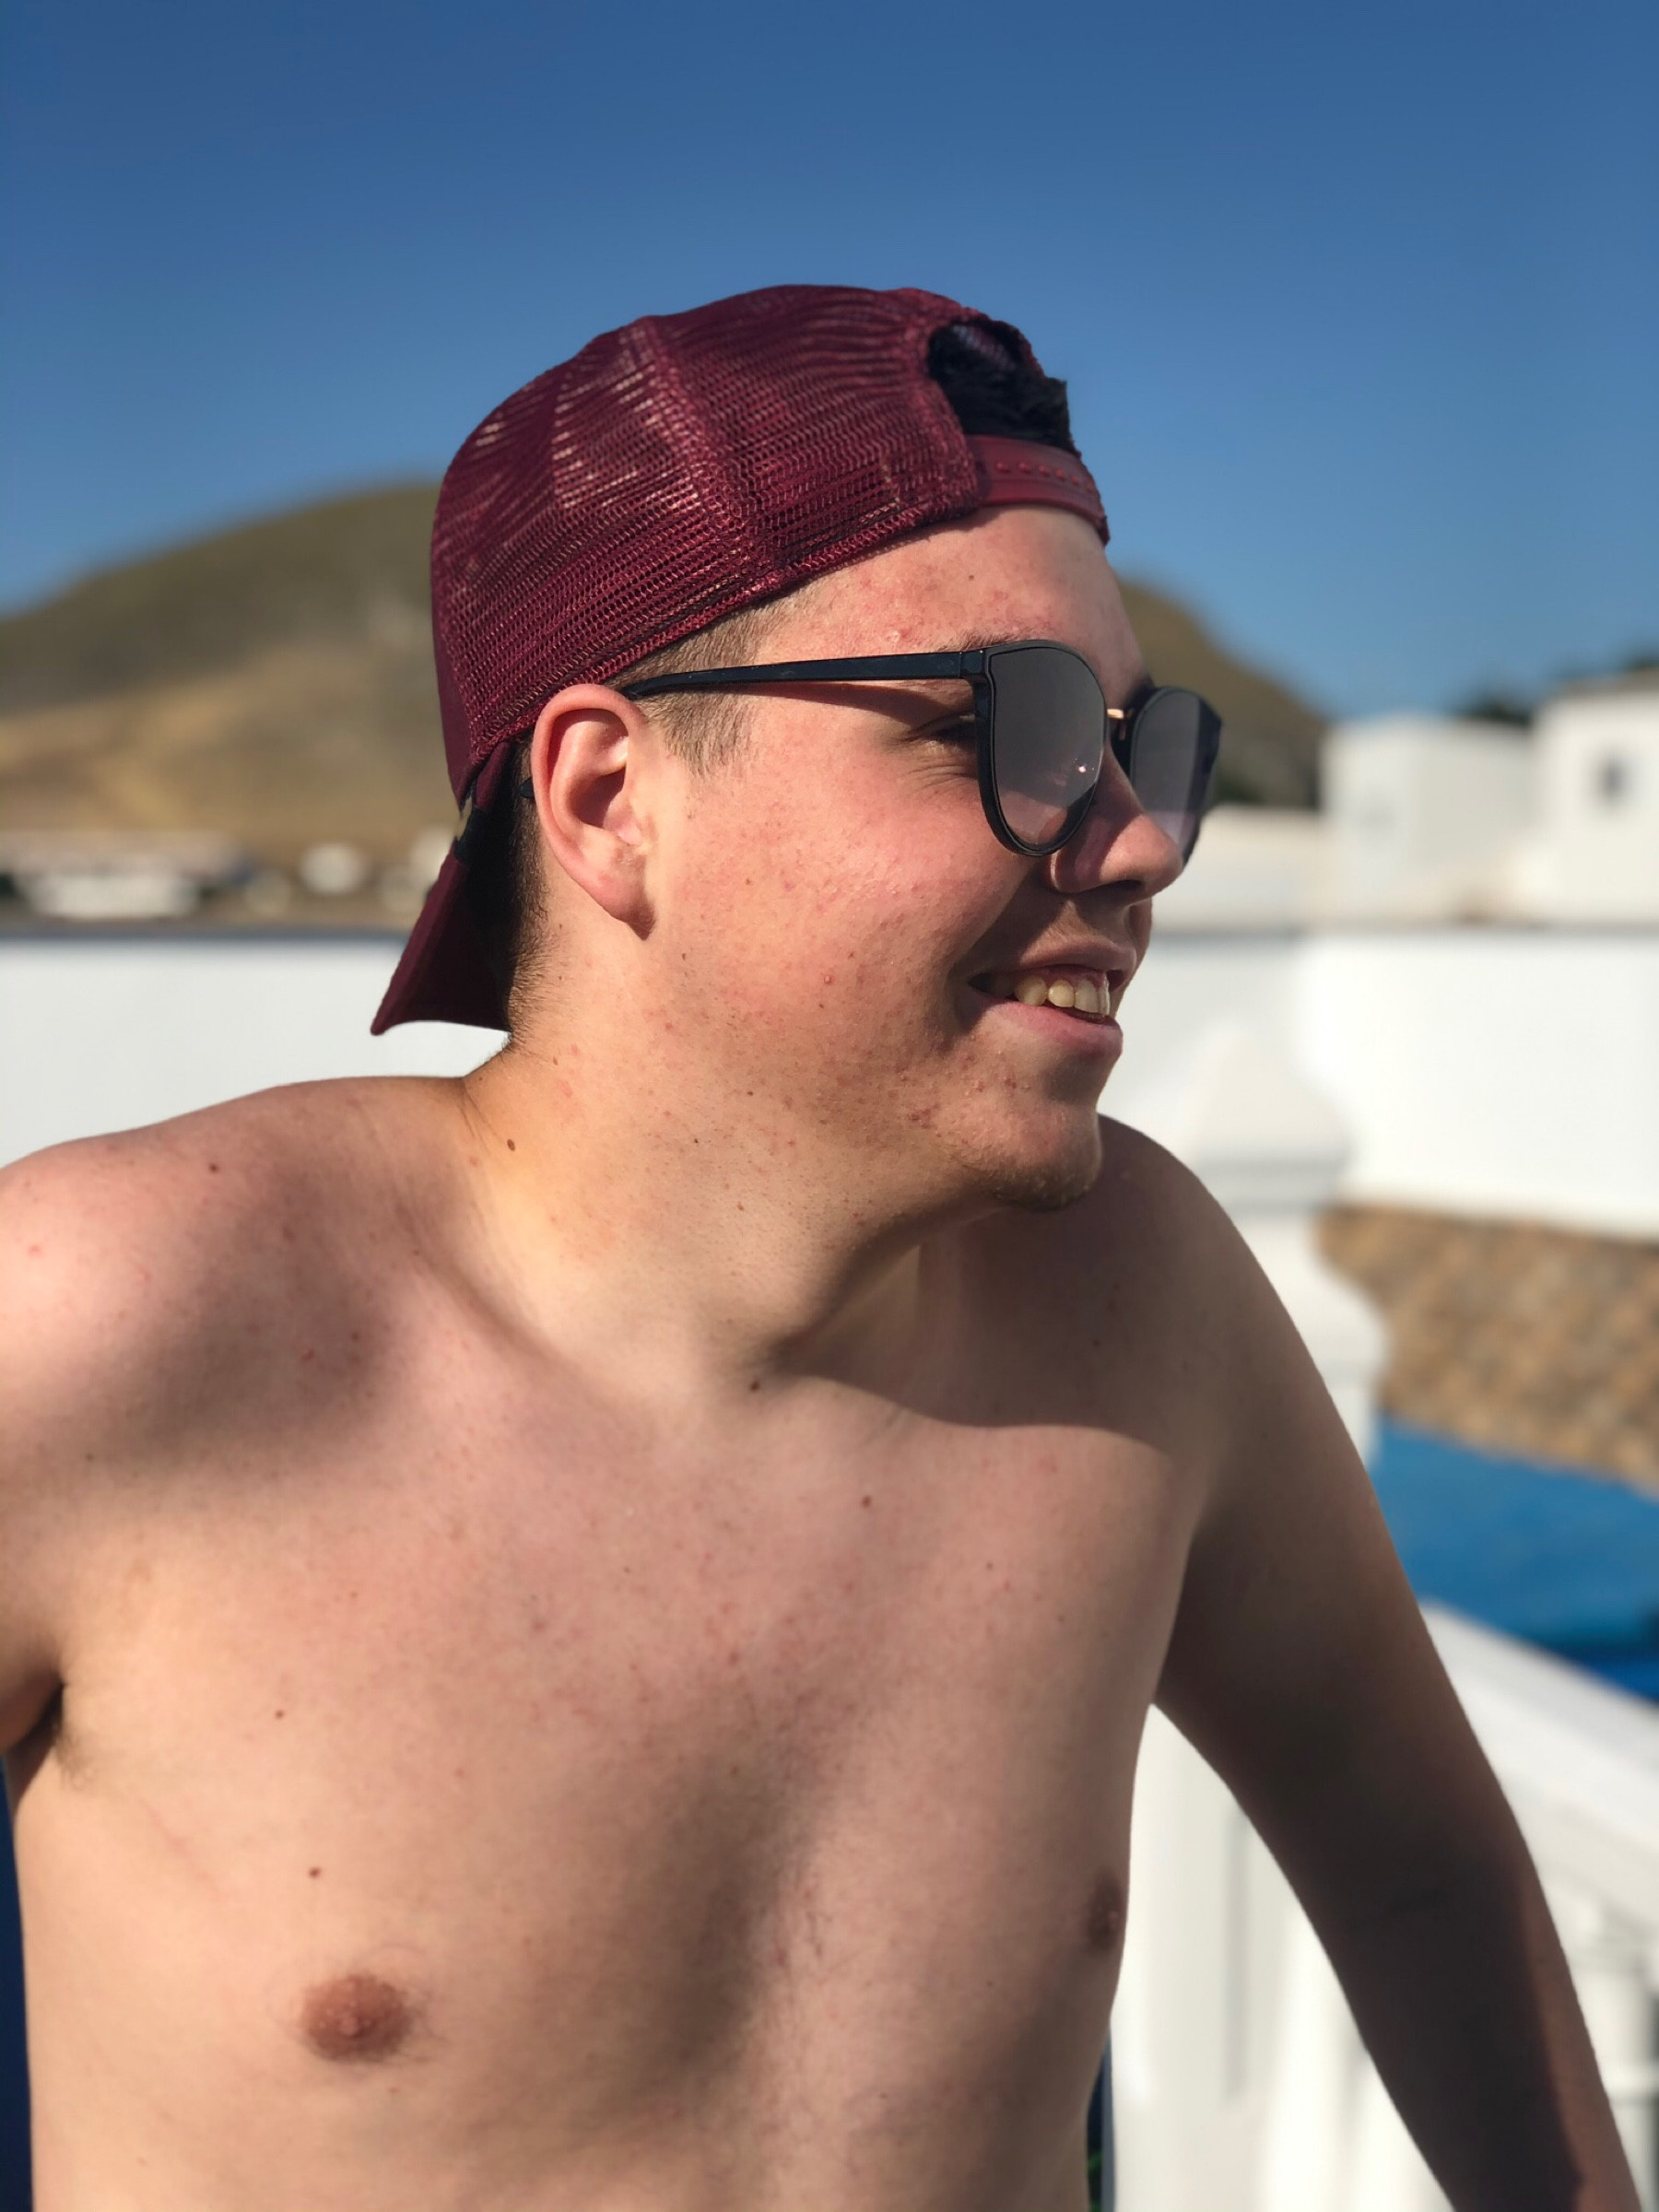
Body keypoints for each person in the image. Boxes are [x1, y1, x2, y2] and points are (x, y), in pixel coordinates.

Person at [0, 285, 1636, 2212]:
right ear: (612, 799)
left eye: (1149, 744)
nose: (1140, 844)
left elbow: (1421, 1857)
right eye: (1016, 729)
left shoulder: (1143, 1308)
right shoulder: (110, 1325)